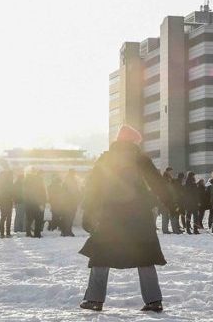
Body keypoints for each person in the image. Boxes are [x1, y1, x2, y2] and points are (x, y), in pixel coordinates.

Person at [78, 126, 170, 313]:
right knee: (145, 255)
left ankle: (94, 300)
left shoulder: (106, 159)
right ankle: (154, 301)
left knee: (101, 256)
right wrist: (172, 203)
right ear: (134, 142)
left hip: (110, 217)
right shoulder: (141, 159)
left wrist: (88, 212)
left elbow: (93, 187)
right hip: (139, 215)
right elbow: (158, 183)